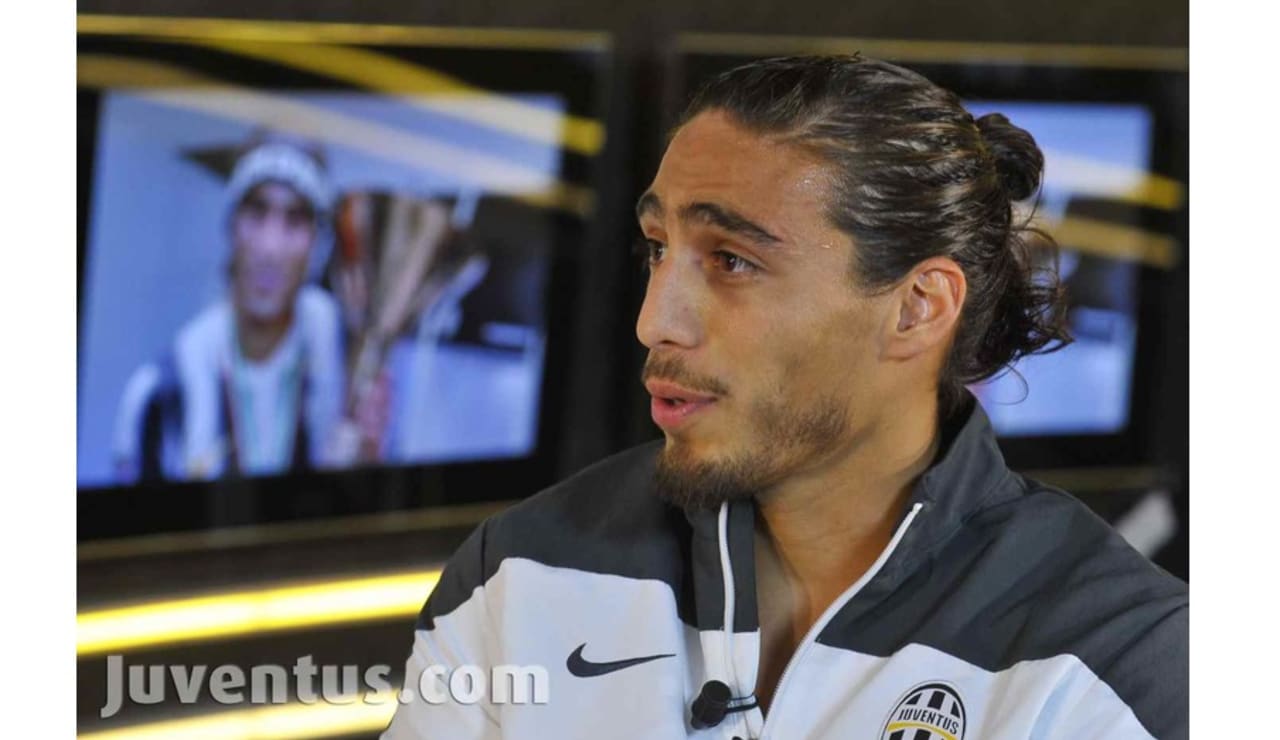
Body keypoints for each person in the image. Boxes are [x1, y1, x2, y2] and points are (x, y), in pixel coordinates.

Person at [383, 55, 1187, 739]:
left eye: (731, 260)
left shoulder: (1123, 659)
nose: (654, 322)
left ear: (918, 307)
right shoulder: (516, 572)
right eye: (657, 249)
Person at [112, 135, 346, 481]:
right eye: (257, 212)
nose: (270, 248)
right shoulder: (162, 393)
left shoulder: (338, 367)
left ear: (317, 243)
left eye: (295, 220)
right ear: (231, 225)